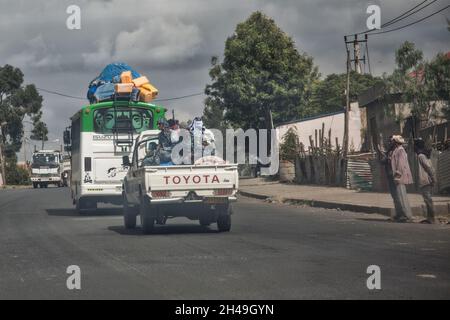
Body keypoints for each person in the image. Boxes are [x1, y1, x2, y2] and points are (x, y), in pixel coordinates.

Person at [376, 136, 404, 221]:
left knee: (397, 195)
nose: (389, 143)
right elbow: (383, 161)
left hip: (394, 176)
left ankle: (401, 215)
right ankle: (398, 214)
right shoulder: (390, 151)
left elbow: (399, 164)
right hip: (390, 175)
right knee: (394, 196)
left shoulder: (398, 151)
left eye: (391, 141)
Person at [390, 135, 414, 222]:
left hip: (400, 177)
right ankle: (404, 215)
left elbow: (400, 164)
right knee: (400, 196)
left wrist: (397, 175)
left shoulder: (401, 150)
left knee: (402, 197)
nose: (392, 143)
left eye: (393, 141)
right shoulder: (397, 150)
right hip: (398, 176)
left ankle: (407, 216)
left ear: (396, 142)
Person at [414, 138, 437, 224]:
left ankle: (431, 218)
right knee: (427, 199)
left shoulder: (421, 156)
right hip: (427, 180)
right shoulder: (424, 154)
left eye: (415, 146)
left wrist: (433, 178)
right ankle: (430, 217)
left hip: (425, 180)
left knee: (428, 199)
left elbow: (428, 168)